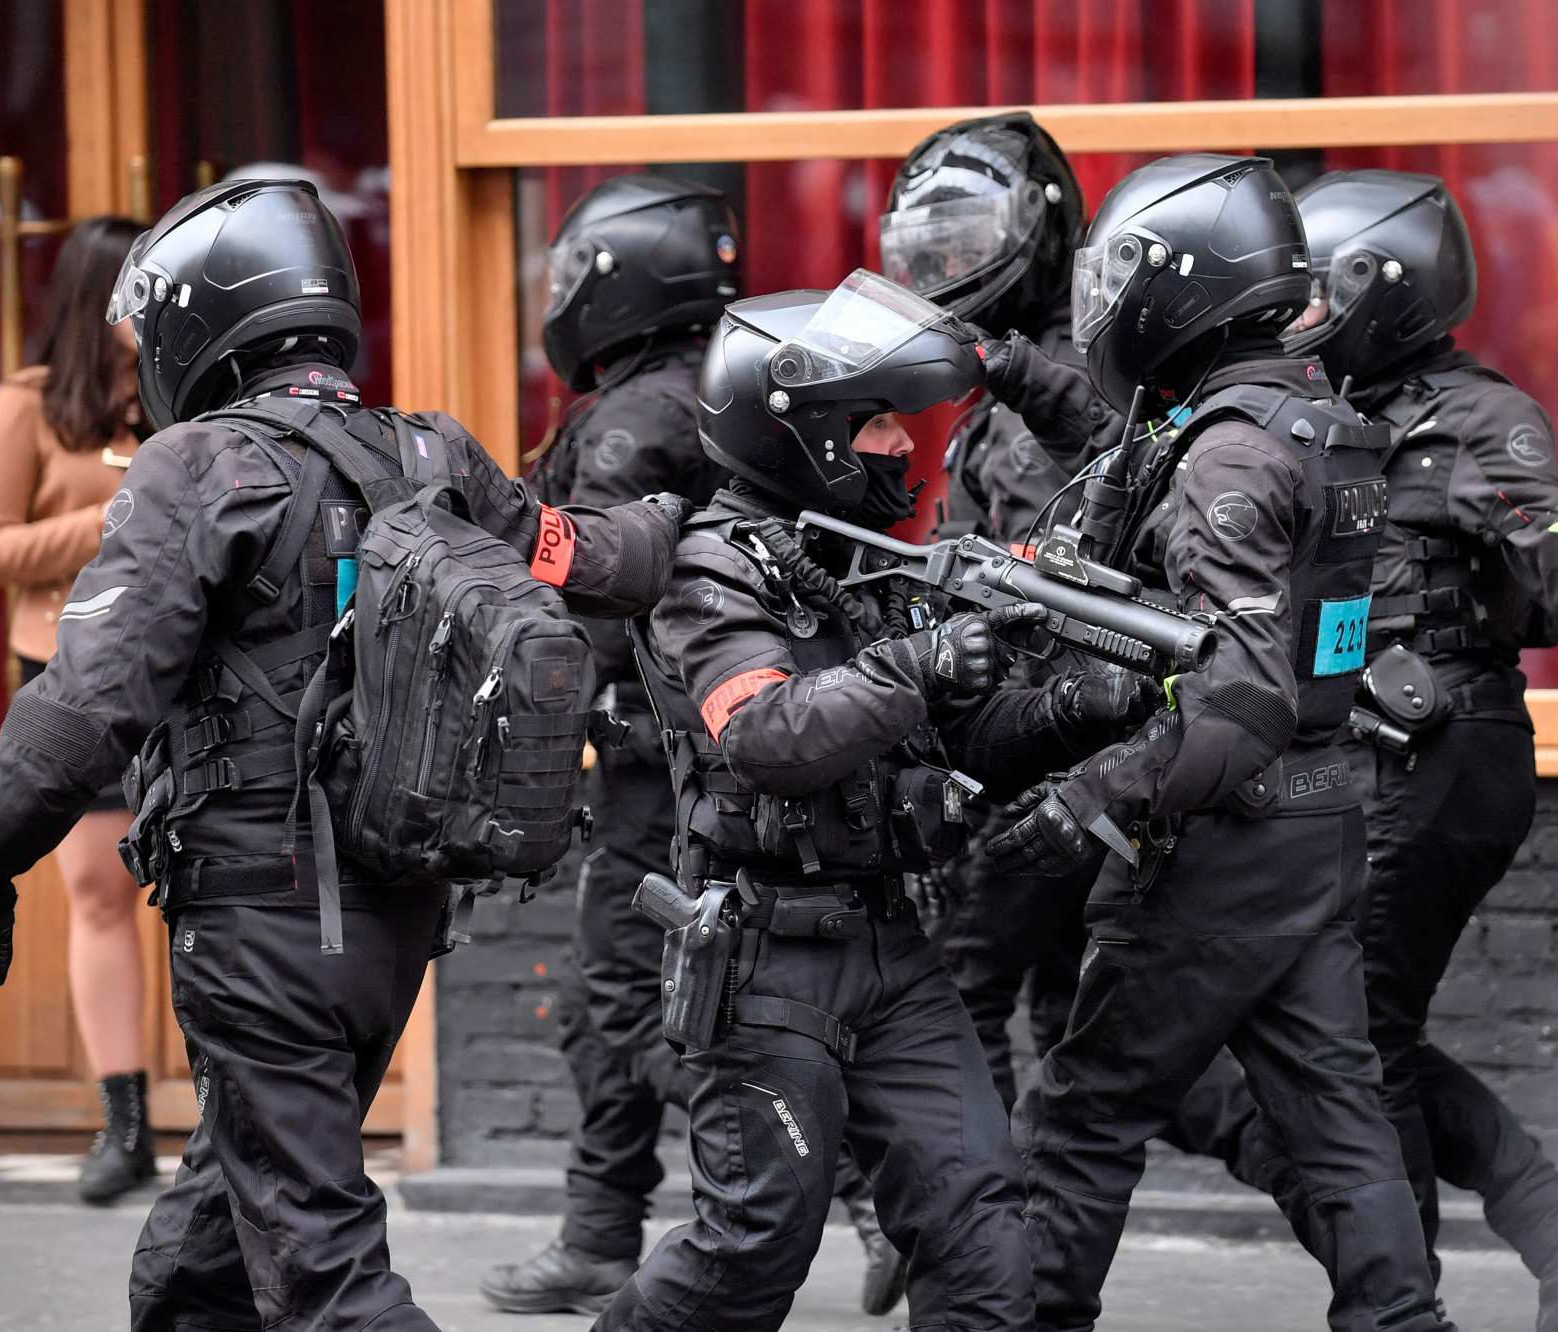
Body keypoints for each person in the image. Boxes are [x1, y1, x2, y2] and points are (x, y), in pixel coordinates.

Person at [0, 177, 683, 1331]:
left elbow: (85, 706)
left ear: (204, 318)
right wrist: (715, 502)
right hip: (397, 911)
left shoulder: (196, 467)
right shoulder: (434, 456)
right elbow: (601, 558)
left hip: (264, 920)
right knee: (210, 1251)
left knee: (321, 1272)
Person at [596, 271, 1152, 1331]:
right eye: (872, 422)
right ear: (793, 430)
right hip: (765, 958)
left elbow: (958, 752)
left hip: (894, 950)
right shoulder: (706, 572)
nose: (901, 444)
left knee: (986, 1236)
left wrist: (1077, 705)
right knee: (750, 1249)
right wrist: (924, 661)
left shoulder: (861, 560)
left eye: (902, 419)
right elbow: (766, 739)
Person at [1155, 168, 1558, 1329]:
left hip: (1439, 754)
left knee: (1353, 1041)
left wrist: (1505, 530)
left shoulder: (1477, 415)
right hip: (1352, 760)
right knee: (1354, 1033)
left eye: (1321, 295)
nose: (1301, 320)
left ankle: (1409, 1298)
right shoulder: (1300, 408)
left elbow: (1554, 588)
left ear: (1392, 287)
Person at [983, 154, 1455, 1332]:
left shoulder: (1228, 450)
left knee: (1081, 1113)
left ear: (1173, 284)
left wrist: (1078, 804)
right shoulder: (1303, 417)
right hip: (1315, 820)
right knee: (1336, 1121)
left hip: (1217, 837)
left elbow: (1235, 692)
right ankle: (1401, 1320)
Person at [477, 174, 908, 1320]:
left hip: (650, 766)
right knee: (633, 1001)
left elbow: (599, 606)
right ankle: (601, 1230)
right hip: (730, 740)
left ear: (616, 283)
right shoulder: (720, 389)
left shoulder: (630, 423)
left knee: (624, 1004)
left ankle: (846, 1188)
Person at [877, 110, 1095, 1109]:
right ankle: (1032, 1251)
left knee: (962, 991)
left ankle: (985, 1240)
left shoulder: (1080, 378)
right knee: (1071, 1026)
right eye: (936, 246)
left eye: (971, 243)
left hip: (1051, 743)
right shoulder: (991, 389)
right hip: (1020, 736)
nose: (951, 265)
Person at [0, 213, 161, 1204]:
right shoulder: (29, 404)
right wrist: (104, 521)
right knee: (96, 895)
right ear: (97, 296)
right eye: (141, 282)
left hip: (185, 674)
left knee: (214, 891)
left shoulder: (185, 389)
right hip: (74, 677)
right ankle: (124, 1123)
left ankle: (237, 1109)